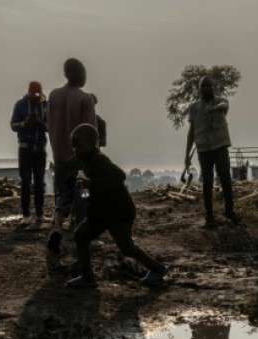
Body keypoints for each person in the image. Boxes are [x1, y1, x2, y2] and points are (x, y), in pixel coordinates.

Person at [66, 124, 167, 288]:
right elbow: (89, 194)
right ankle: (87, 277)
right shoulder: (84, 162)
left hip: (118, 212)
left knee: (126, 248)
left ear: (93, 144)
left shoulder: (99, 159)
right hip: (101, 214)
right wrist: (84, 189)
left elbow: (119, 175)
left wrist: (90, 183)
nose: (75, 150)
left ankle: (157, 269)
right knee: (80, 235)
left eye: (79, 146)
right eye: (74, 146)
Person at [47, 58, 96, 254]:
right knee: (83, 196)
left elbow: (50, 124)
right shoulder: (85, 99)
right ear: (81, 75)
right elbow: (91, 132)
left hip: (59, 156)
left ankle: (57, 227)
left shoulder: (53, 96)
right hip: (79, 158)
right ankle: (82, 237)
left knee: (63, 197)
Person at [184, 76, 241, 229]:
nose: (207, 88)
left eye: (209, 86)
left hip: (220, 146)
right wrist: (186, 155)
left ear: (213, 88)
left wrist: (214, 108)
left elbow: (224, 105)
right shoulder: (194, 108)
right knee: (207, 182)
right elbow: (191, 132)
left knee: (226, 179)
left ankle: (229, 212)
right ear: (199, 88)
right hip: (204, 150)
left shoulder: (221, 102)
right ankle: (209, 216)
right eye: (203, 86)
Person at [10, 81, 48, 220]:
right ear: (29, 93)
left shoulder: (45, 105)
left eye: (38, 95)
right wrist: (24, 124)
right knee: (25, 182)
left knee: (40, 182)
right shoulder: (20, 105)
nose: (36, 97)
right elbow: (13, 125)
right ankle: (26, 214)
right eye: (33, 95)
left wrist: (41, 124)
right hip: (25, 148)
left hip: (39, 149)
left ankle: (39, 213)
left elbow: (51, 126)